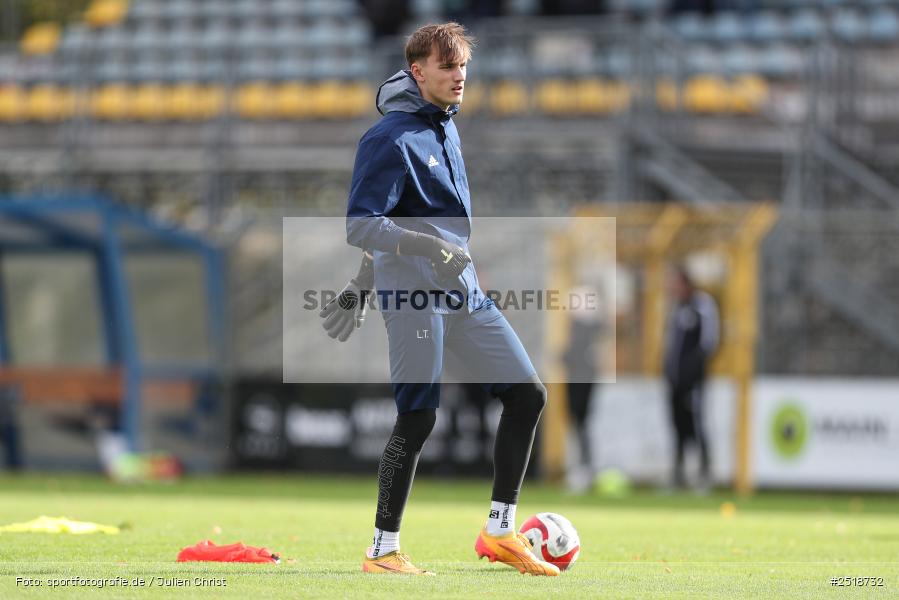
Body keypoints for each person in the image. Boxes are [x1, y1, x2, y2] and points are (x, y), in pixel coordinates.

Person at [319, 22, 558, 576]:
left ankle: (500, 532)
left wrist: (368, 280)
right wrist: (379, 277)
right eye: (448, 67)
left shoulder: (446, 128)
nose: (460, 77)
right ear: (417, 70)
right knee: (419, 416)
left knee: (528, 395)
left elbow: (411, 219)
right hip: (413, 295)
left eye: (464, 68)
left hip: (463, 289)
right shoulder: (389, 138)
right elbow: (362, 225)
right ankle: (382, 550)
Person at [662, 266, 719, 491]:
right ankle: (679, 474)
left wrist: (692, 371)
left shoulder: (702, 305)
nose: (671, 288)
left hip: (693, 380)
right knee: (677, 425)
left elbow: (708, 342)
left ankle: (704, 474)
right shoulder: (676, 307)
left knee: (697, 424)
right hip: (674, 380)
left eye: (674, 283)